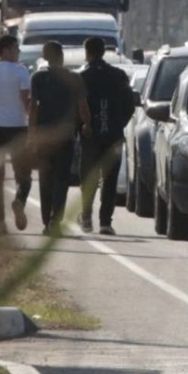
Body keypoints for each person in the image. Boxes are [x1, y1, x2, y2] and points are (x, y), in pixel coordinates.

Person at [29, 42, 91, 235]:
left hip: (43, 136)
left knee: (45, 179)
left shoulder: (38, 77)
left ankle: (47, 220)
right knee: (61, 179)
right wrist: (87, 124)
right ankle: (56, 219)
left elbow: (33, 108)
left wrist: (31, 134)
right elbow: (82, 105)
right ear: (61, 56)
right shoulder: (74, 77)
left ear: (45, 57)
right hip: (65, 136)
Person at [78, 37, 136, 235]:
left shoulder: (83, 76)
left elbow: (77, 106)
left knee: (89, 178)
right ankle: (105, 222)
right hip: (113, 135)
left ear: (88, 53)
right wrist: (119, 123)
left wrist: (82, 127)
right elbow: (130, 104)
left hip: (90, 136)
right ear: (103, 52)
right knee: (110, 179)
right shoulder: (119, 75)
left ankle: (86, 218)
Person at [0, 34, 33, 233]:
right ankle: (19, 201)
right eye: (15, 49)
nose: (18, 52)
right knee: (23, 174)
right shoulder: (21, 71)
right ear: (5, 50)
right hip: (17, 127)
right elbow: (25, 101)